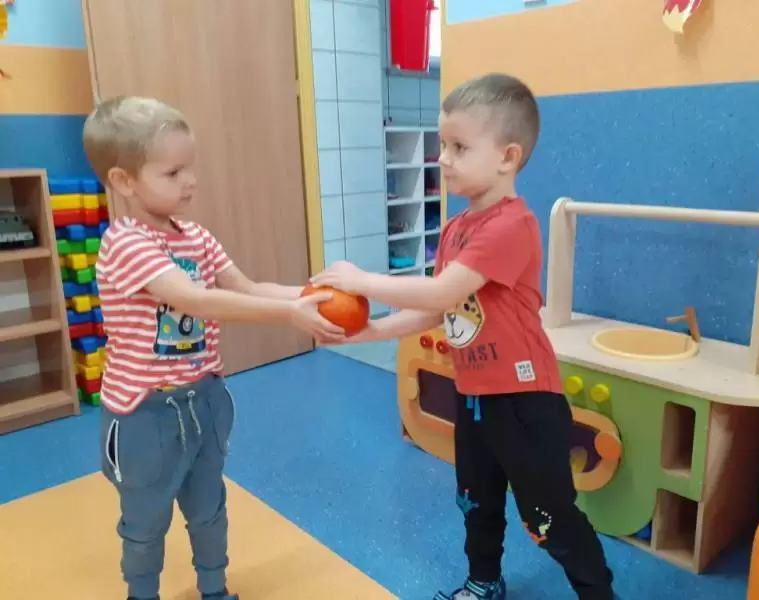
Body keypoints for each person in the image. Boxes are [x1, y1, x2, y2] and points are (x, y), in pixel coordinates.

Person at [311, 73, 616, 600]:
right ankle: (483, 580)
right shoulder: (455, 230)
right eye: (442, 145)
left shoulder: (512, 225)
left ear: (508, 157)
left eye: (459, 147)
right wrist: (369, 332)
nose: (444, 159)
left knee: (547, 516)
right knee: (476, 500)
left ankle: (598, 594)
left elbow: (440, 292)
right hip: (474, 396)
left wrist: (361, 281)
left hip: (524, 400)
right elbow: (438, 311)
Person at [83, 96, 345, 600]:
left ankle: (214, 589)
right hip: (144, 414)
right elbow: (194, 299)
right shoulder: (126, 242)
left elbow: (248, 288)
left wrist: (316, 294)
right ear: (124, 181)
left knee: (209, 509)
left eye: (190, 167)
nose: (191, 181)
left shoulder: (197, 237)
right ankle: (142, 594)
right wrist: (290, 315)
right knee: (144, 522)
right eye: (173, 172)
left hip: (202, 401)